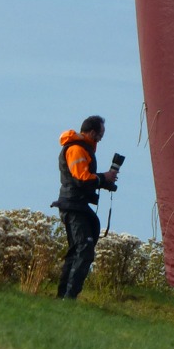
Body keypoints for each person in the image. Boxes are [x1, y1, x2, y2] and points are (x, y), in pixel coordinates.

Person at [51, 115, 118, 299]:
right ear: (92, 132)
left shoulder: (82, 149)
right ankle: (68, 298)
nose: (101, 139)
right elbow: (81, 178)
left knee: (77, 251)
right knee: (84, 250)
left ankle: (63, 297)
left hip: (75, 204)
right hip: (73, 206)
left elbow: (83, 178)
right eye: (100, 135)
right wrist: (103, 178)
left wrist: (104, 181)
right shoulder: (76, 149)